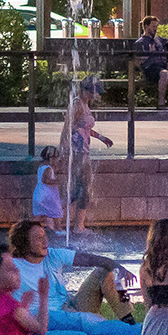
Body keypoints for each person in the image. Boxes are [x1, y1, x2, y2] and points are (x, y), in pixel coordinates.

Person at [8, 218, 139, 335]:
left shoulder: (53, 255)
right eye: (38, 238)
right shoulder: (12, 267)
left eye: (44, 236)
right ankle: (132, 334)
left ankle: (128, 319)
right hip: (45, 319)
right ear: (24, 243)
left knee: (105, 271)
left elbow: (89, 259)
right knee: (87, 327)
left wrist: (117, 265)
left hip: (70, 309)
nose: (45, 241)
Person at [58, 77, 113, 232]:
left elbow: (85, 128)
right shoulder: (77, 104)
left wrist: (102, 138)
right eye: (94, 91)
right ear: (87, 90)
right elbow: (67, 128)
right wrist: (63, 151)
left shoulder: (84, 105)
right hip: (76, 153)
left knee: (79, 189)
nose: (96, 95)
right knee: (82, 189)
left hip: (83, 152)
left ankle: (68, 223)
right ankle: (72, 224)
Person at [131, 18, 166, 103]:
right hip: (150, 69)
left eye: (156, 26)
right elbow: (138, 62)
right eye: (153, 26)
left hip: (162, 66)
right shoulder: (140, 43)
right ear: (146, 27)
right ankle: (161, 102)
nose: (156, 28)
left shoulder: (158, 40)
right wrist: (150, 54)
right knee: (164, 73)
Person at [31, 145, 64, 231]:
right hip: (48, 196)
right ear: (50, 158)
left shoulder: (42, 166)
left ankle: (34, 229)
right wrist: (57, 182)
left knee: (39, 214)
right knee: (56, 212)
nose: (57, 160)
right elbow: (46, 180)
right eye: (56, 158)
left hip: (39, 194)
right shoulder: (48, 168)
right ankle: (58, 228)